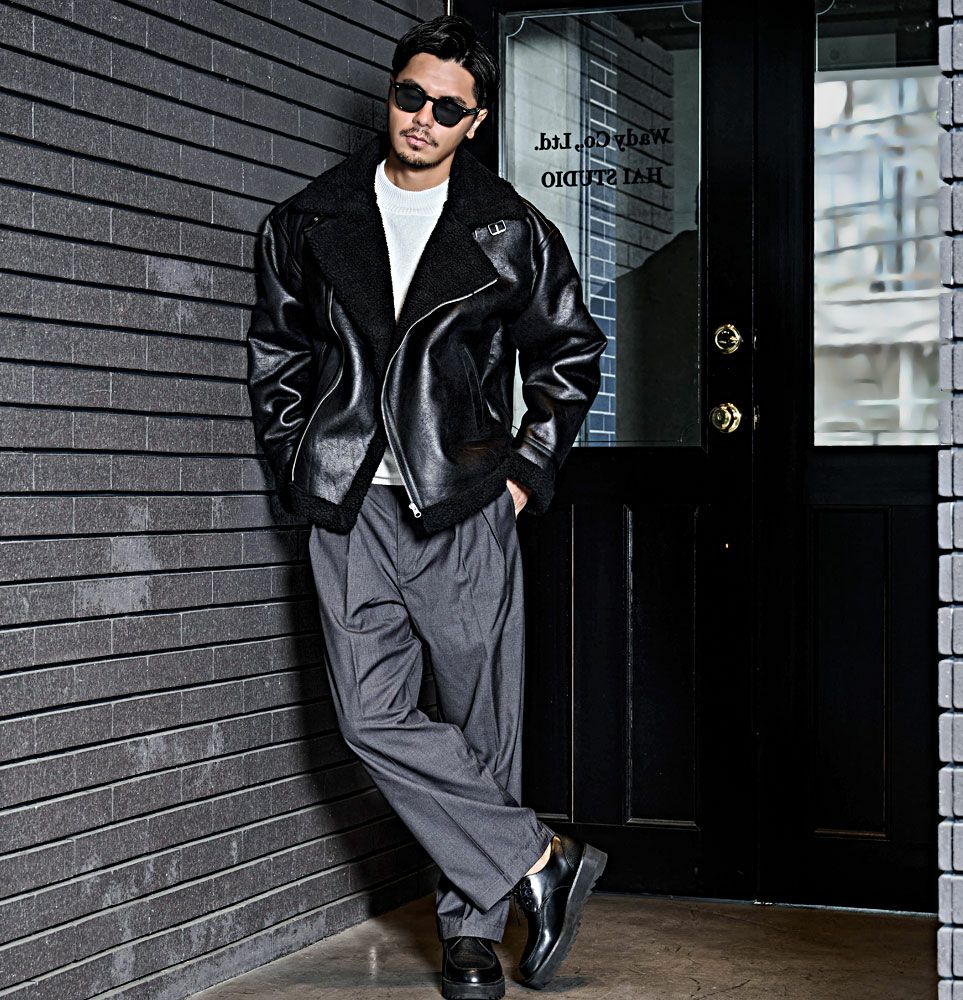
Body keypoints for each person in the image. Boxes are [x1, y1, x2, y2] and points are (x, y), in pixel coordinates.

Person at [246, 13, 608, 999]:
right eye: (410, 96)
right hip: (351, 507)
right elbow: (278, 358)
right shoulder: (307, 222)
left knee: (482, 719)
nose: (422, 118)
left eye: (447, 109)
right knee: (370, 717)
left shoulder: (510, 230)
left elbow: (569, 354)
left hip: (462, 503)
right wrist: (299, 461)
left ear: (474, 122)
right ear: (390, 93)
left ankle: (469, 935)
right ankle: (538, 859)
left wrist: (525, 471)